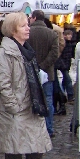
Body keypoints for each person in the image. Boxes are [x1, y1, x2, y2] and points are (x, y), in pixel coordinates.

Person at [0, 12, 52, 159]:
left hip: (32, 109)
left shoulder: (27, 50)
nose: (28, 28)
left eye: (27, 25)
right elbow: (3, 85)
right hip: (15, 112)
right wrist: (14, 107)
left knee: (37, 151)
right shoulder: (5, 54)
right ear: (12, 30)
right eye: (23, 26)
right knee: (14, 156)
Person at [28, 10, 59, 138]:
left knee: (30, 100)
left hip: (30, 71)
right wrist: (44, 65)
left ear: (34, 18)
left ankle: (33, 129)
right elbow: (55, 53)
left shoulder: (28, 33)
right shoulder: (52, 34)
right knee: (48, 100)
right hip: (47, 72)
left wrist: (36, 66)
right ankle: (48, 128)